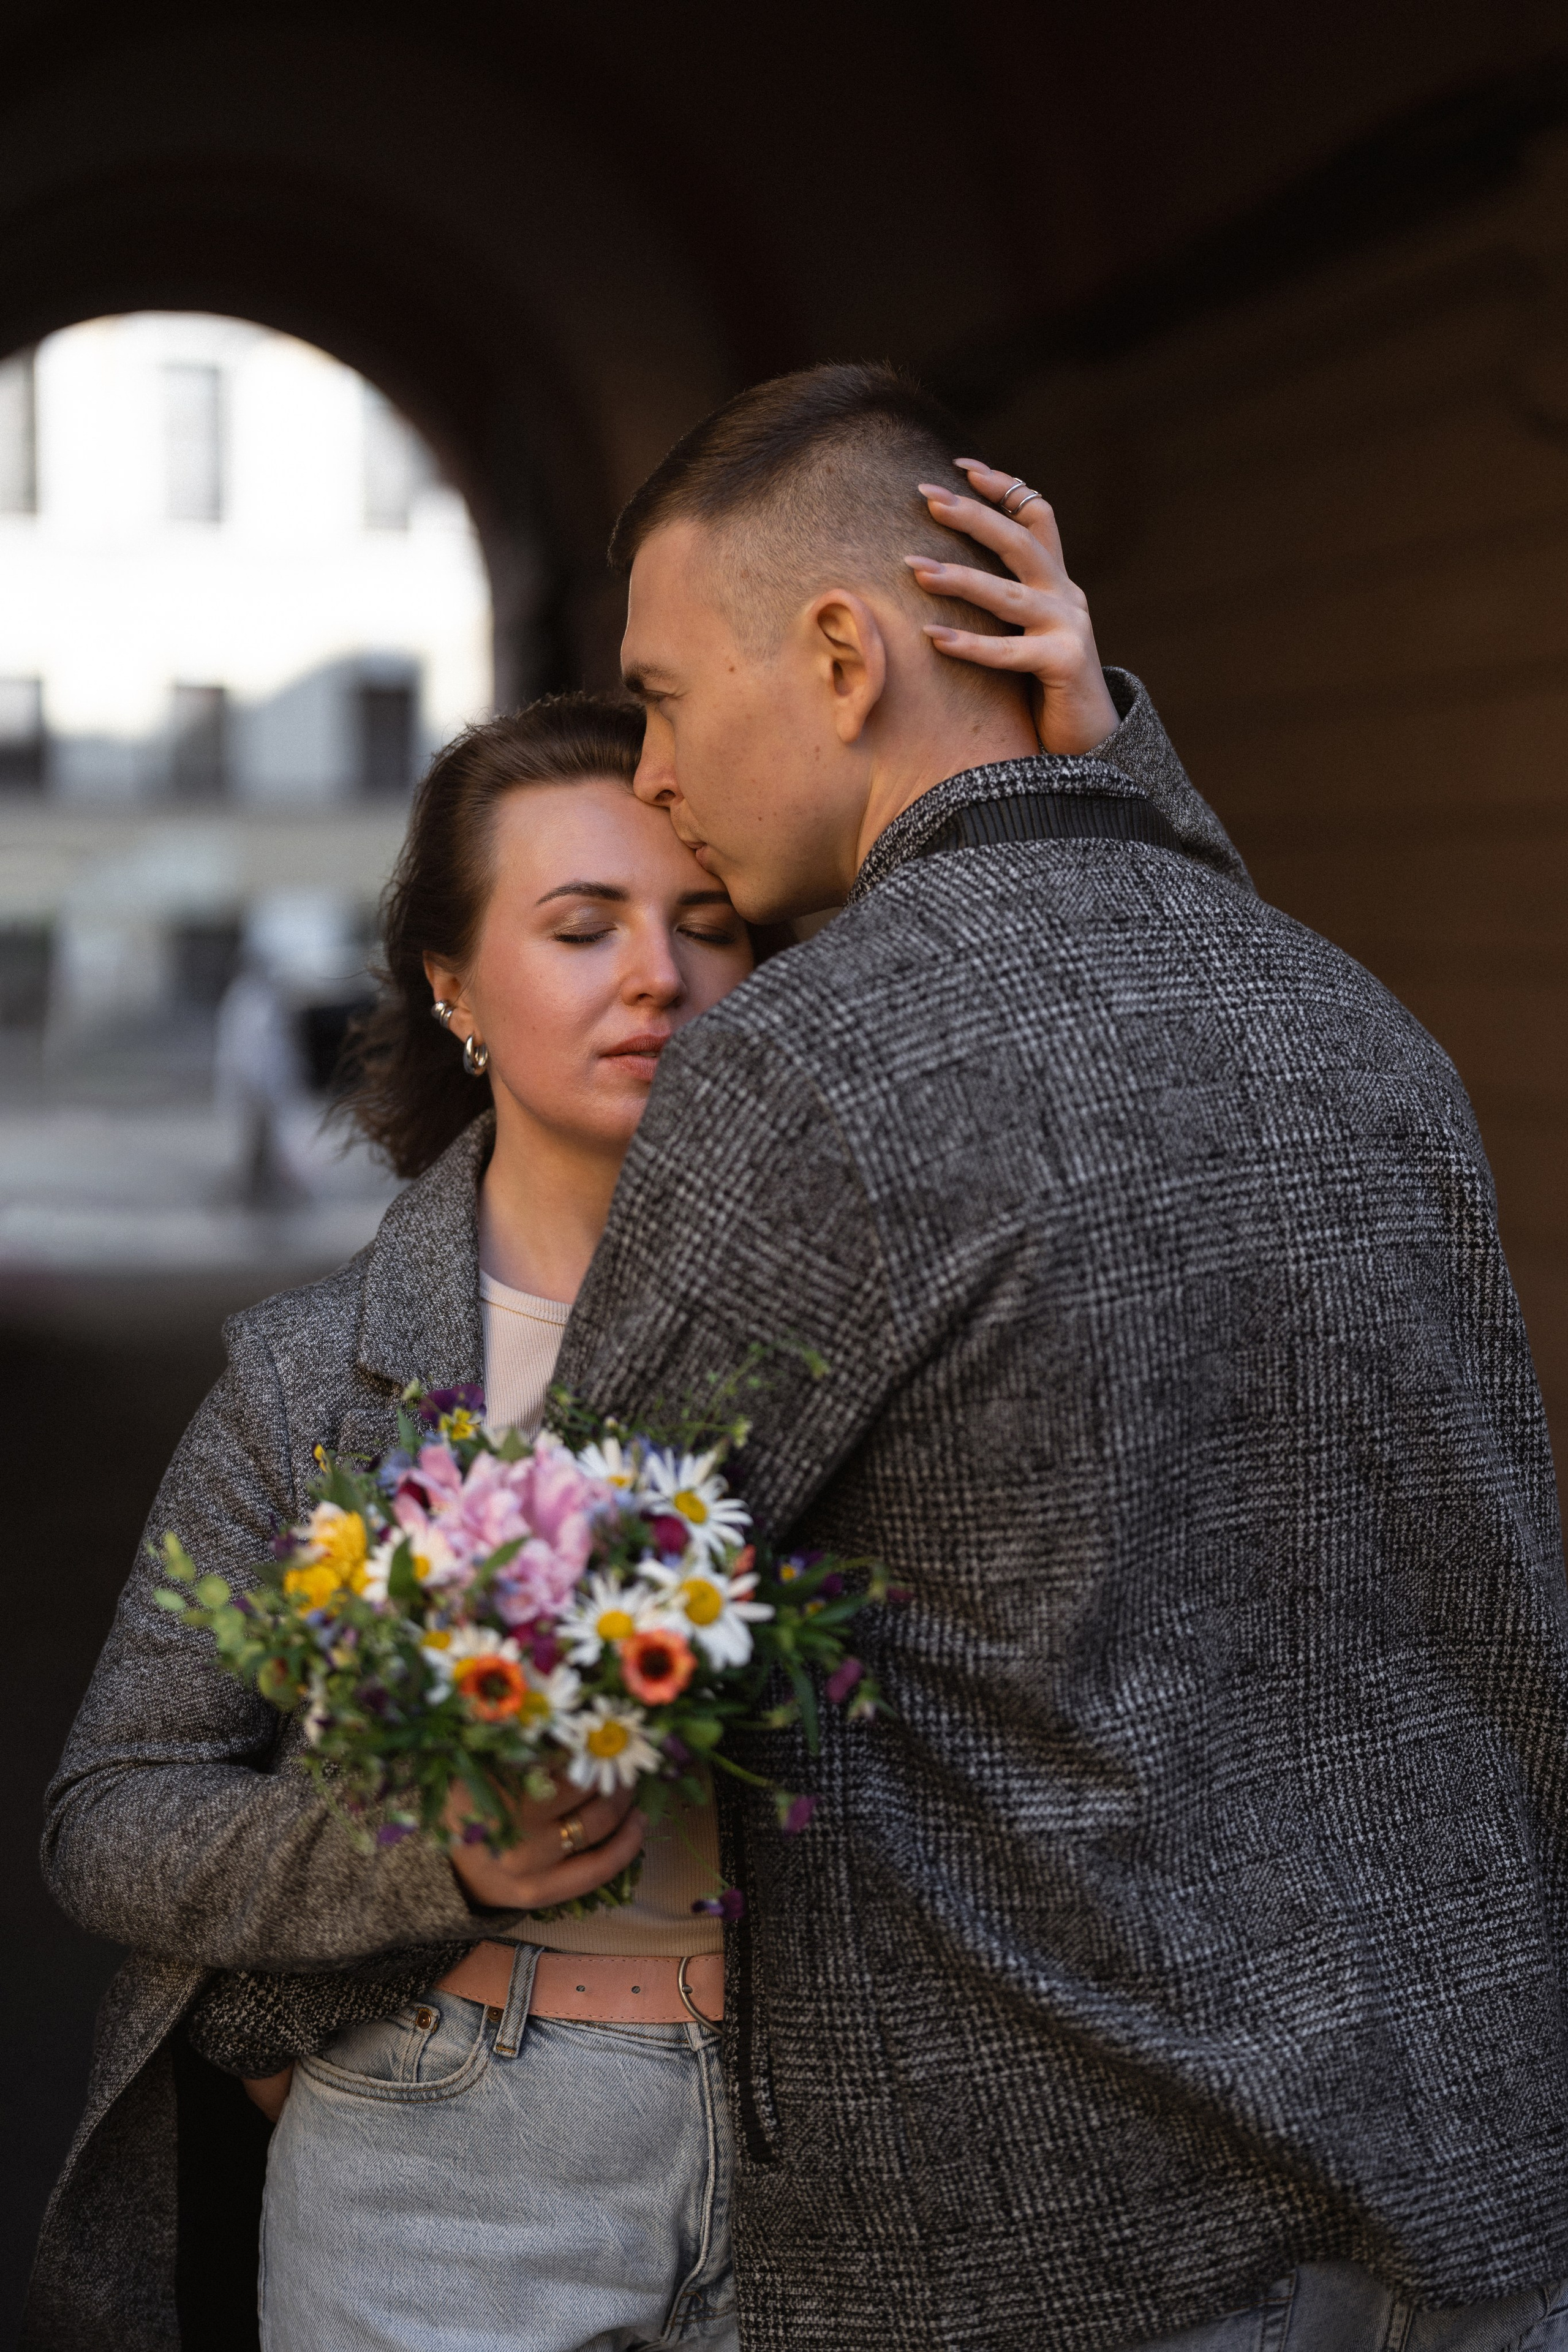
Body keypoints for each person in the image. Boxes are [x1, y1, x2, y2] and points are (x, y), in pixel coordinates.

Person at [21, 477, 1144, 2350]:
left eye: (708, 921)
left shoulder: (908, 1308)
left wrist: (1091, 784)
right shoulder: (318, 1376)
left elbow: (1202, 1088)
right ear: (453, 986)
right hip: (447, 2154)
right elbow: (109, 1816)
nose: (657, 975)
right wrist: (421, 1860)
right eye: (580, 924)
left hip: (855, 2163)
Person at [544, 363, 1568, 2352]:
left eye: (665, 695)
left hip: (1063, 2227)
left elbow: (578, 1602)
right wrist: (1123, 775)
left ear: (840, 654)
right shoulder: (1348, 1016)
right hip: (1478, 2174)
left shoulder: (809, 1072)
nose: (649, 772)